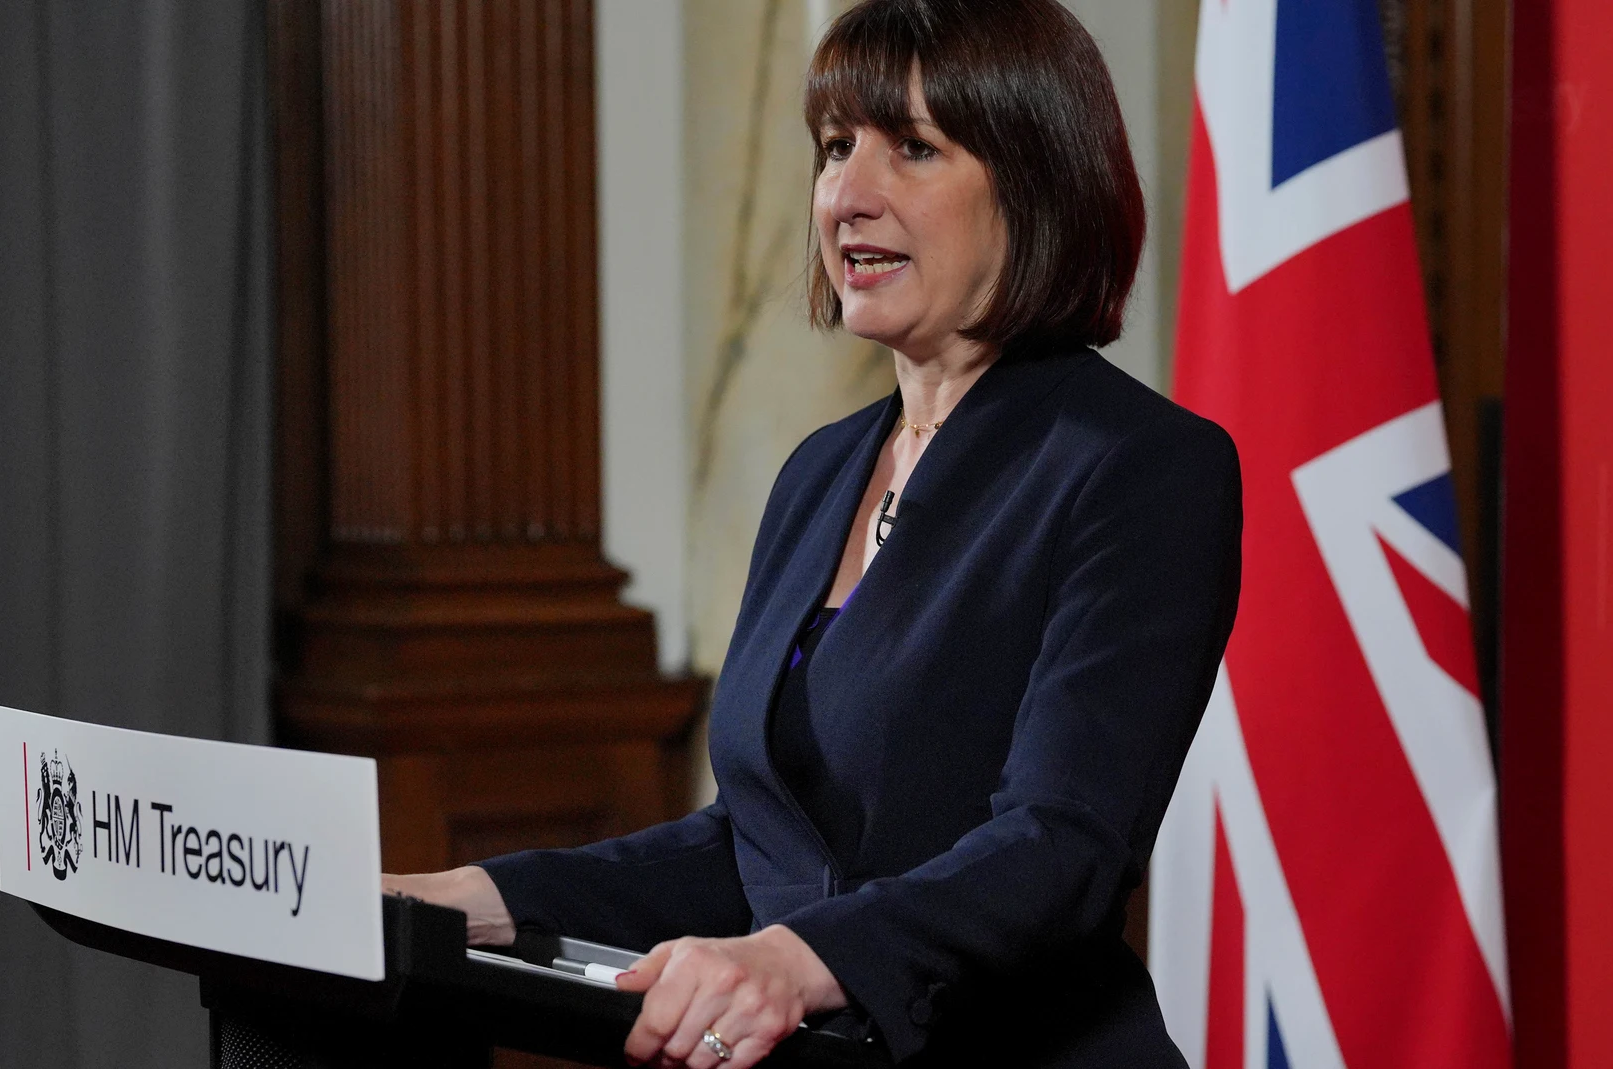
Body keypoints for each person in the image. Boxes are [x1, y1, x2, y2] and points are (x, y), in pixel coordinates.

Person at [383, 1, 1241, 1065]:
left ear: (1034, 178)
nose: (847, 195)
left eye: (912, 149)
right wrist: (473, 898)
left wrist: (795, 960)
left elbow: (1061, 845)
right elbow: (752, 844)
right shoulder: (821, 473)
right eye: (836, 148)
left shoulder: (1139, 465)